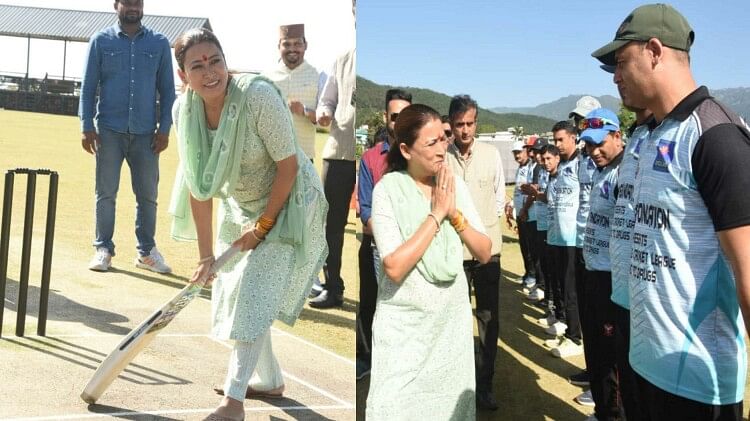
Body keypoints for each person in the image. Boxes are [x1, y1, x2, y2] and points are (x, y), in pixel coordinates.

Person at [593, 4, 750, 419]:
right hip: (646, 365)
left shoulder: (716, 137)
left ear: (655, 51)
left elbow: (749, 273)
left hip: (697, 384)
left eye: (622, 61)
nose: (615, 76)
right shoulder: (654, 133)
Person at [168, 28, 327, 421]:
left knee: (254, 288)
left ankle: (233, 402)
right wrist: (206, 257)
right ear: (182, 75)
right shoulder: (183, 112)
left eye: (215, 61)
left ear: (226, 61)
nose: (209, 73)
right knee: (240, 292)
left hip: (290, 200)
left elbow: (289, 167)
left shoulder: (257, 97)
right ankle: (269, 379)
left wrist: (263, 226)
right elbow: (198, 186)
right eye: (197, 66)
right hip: (240, 206)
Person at [366, 103, 491, 420]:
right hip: (405, 329)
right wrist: (436, 214)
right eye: (432, 142)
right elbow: (394, 267)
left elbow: (484, 251)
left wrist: (454, 214)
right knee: (395, 405)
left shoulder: (453, 185)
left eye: (443, 140)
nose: (442, 149)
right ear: (406, 150)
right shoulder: (388, 191)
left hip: (450, 326)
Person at [79, 0, 175, 273]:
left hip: (146, 135)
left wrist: (165, 129)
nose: (133, 6)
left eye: (138, 2)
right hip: (108, 131)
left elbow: (168, 92)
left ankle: (146, 253)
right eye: (127, 2)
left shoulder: (158, 43)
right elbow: (88, 87)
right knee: (105, 193)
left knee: (148, 196)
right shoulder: (100, 41)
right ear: (116, 5)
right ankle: (103, 249)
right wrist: (86, 125)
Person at [447, 94, 505, 411]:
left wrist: (483, 233)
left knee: (488, 320)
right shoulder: (443, 156)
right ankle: (458, 383)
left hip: (488, 252)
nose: (465, 130)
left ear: (476, 123)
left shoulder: (492, 154)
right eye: (459, 124)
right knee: (455, 319)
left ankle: (485, 385)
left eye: (470, 123)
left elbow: (498, 198)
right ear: (451, 126)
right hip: (455, 253)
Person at [356, 88, 412, 380]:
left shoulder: (418, 156)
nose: (399, 121)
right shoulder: (369, 159)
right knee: (371, 304)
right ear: (385, 117)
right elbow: (364, 210)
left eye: (405, 115)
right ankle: (366, 359)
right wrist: (388, 237)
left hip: (412, 248)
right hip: (377, 247)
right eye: (394, 116)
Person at [579, 108, 625, 421]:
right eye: (589, 146)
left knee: (613, 357)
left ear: (617, 136)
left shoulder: (627, 173)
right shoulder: (599, 170)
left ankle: (615, 414)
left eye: (600, 144)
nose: (594, 151)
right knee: (595, 351)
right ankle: (602, 409)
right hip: (591, 273)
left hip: (613, 279)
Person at [311, 47, 357, 309]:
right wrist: (324, 112)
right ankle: (332, 288)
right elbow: (327, 99)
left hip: (373, 153)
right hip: (338, 151)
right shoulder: (342, 60)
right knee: (332, 225)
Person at [544, 121, 584, 358]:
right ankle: (568, 329)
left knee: (571, 291)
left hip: (573, 239)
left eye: (561, 139)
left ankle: (575, 338)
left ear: (573, 137)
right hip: (557, 237)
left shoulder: (582, 163)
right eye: (555, 140)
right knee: (562, 286)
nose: (557, 144)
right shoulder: (563, 166)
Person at [261, 24, 325, 162]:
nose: (292, 49)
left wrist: (305, 111)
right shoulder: (266, 77)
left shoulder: (318, 76)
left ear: (305, 45)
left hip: (304, 158)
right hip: (270, 158)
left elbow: (326, 122)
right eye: (287, 44)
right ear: (279, 46)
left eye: (297, 44)